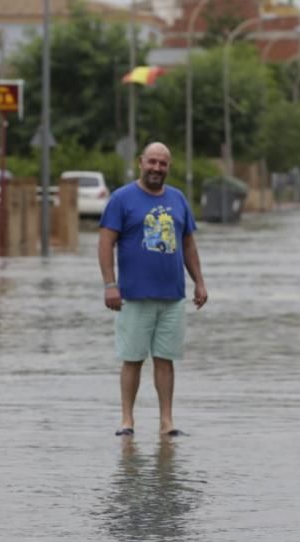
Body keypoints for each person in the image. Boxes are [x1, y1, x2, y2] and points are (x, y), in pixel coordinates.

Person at [97, 141, 208, 438]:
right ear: (140, 162)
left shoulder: (179, 199)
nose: (157, 168)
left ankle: (166, 421)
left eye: (162, 163)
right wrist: (110, 284)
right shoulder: (122, 199)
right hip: (132, 296)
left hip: (172, 296)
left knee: (165, 359)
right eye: (152, 162)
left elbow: (187, 243)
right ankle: (127, 420)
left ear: (169, 167)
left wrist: (199, 281)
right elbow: (106, 242)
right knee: (132, 358)